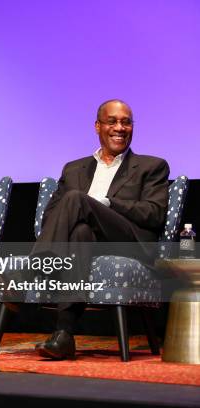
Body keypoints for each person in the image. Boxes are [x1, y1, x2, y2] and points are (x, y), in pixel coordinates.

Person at [33, 99, 169, 360]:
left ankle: (34, 269)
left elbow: (154, 213)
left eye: (126, 122)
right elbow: (50, 216)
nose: (120, 127)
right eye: (112, 121)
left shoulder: (152, 166)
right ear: (97, 126)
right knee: (81, 232)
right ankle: (64, 334)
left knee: (75, 199)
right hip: (87, 242)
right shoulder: (74, 168)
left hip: (129, 242)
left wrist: (108, 204)